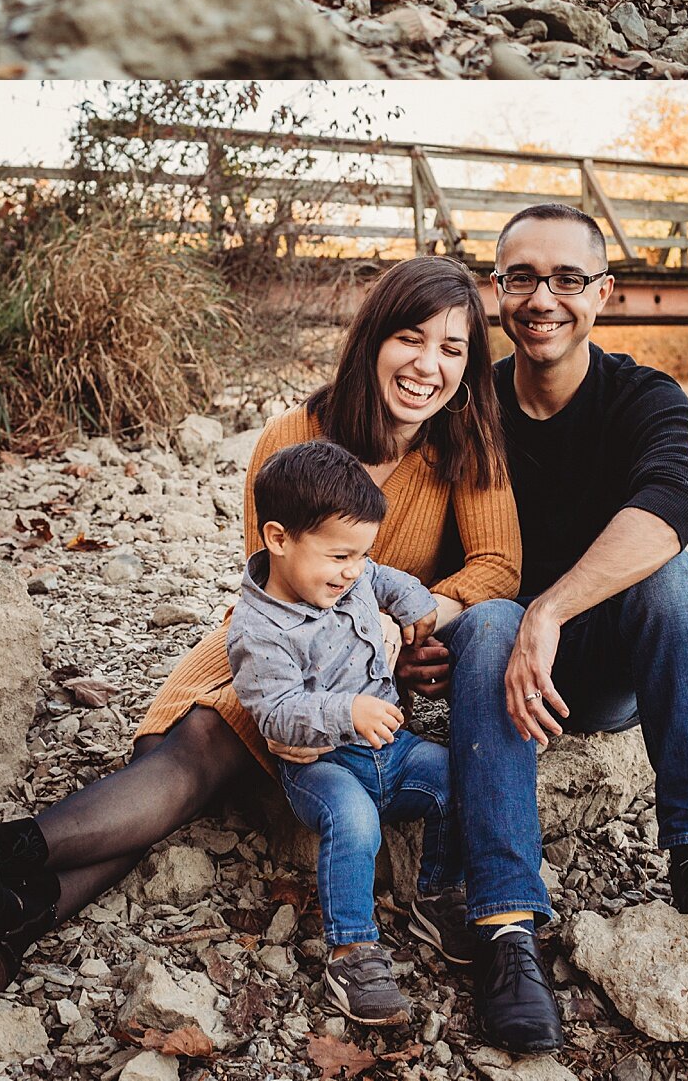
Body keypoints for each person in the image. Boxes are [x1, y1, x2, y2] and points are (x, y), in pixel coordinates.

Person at [0, 257, 564, 1054]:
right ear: (373, 339)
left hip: (359, 667)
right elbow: (276, 592)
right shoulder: (295, 436)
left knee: (165, 798)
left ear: (471, 364)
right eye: (411, 338)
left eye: (453, 349)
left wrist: (413, 621)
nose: (429, 366)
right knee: (191, 756)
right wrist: (361, 629)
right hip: (266, 651)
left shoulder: (467, 447)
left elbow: (497, 569)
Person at [400, 202, 688, 922]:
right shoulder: (464, 408)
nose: (542, 299)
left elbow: (676, 498)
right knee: (495, 617)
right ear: (497, 292)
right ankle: (502, 901)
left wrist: (551, 609)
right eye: (522, 278)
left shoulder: (643, 396)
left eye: (568, 278)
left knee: (669, 575)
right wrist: (412, 639)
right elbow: (419, 545)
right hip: (488, 666)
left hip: (599, 669)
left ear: (603, 291)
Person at [228, 438, 465, 1025]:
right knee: (353, 820)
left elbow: (385, 578)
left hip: (393, 749)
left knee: (454, 778)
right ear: (278, 539)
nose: (353, 571)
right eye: (340, 557)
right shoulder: (259, 631)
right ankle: (353, 951)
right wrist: (346, 711)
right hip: (322, 765)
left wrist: (414, 605)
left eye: (361, 554)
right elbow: (277, 711)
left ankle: (437, 897)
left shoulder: (351, 572)